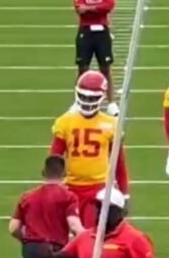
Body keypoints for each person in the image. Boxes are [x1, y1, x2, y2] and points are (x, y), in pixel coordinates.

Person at [50, 70, 129, 228]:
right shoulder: (65, 122)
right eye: (84, 96)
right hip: (70, 188)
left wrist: (124, 193)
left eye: (91, 97)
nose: (87, 100)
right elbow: (54, 160)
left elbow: (119, 163)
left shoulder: (112, 125)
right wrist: (53, 187)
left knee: (93, 235)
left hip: (98, 189)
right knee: (66, 236)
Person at [73, 0, 118, 114]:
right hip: (85, 29)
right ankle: (78, 101)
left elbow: (109, 5)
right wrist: (97, 8)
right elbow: (79, 8)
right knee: (82, 67)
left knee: (105, 68)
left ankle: (111, 103)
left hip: (102, 30)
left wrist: (89, 8)